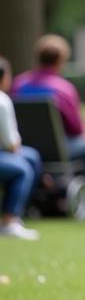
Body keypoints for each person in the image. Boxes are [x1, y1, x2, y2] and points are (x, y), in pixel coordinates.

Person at [11, 34, 85, 214]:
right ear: (60, 60)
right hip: (57, 150)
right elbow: (76, 128)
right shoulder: (63, 89)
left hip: (25, 146)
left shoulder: (18, 84)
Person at [0, 57, 41, 240]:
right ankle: (9, 221)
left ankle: (19, 211)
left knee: (32, 156)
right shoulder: (2, 101)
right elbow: (11, 144)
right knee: (22, 169)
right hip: (4, 151)